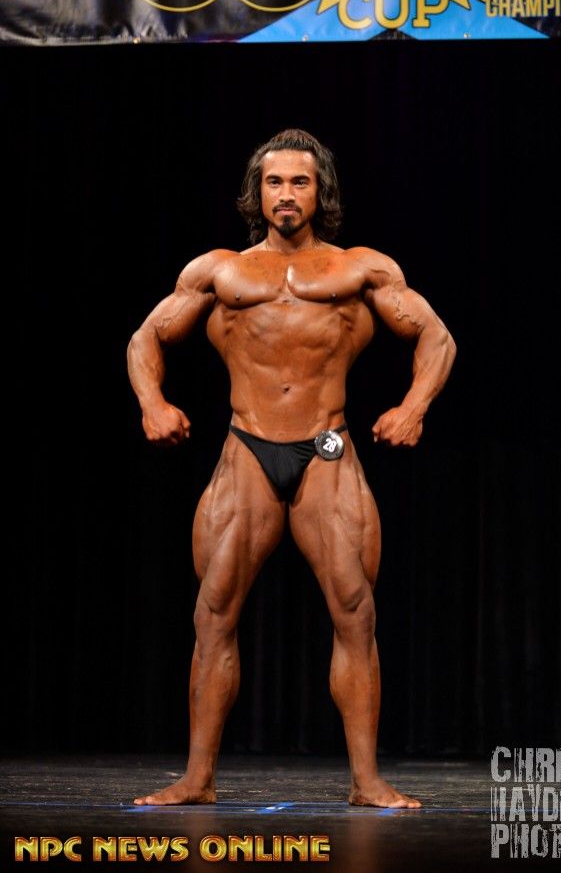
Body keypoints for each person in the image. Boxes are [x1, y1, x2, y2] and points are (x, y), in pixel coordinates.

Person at [127, 128, 456, 809]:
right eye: (274, 182)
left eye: (299, 182)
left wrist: (414, 407)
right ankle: (197, 779)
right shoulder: (219, 271)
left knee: (355, 611)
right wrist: (152, 403)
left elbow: (436, 335)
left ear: (319, 192)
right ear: (257, 193)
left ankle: (366, 781)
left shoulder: (360, 269)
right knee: (214, 612)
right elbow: (147, 337)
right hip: (246, 446)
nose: (286, 194)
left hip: (326, 446)